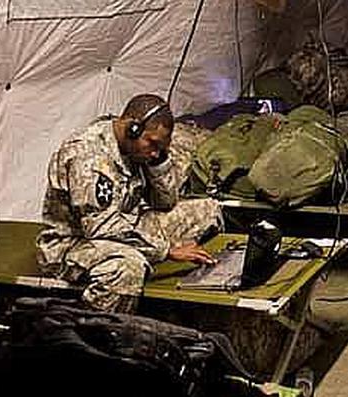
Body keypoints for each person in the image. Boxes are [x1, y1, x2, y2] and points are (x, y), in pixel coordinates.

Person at [36, 94, 221, 312]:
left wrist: (159, 160)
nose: (154, 152)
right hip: (74, 243)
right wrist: (167, 250)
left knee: (208, 210)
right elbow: (101, 227)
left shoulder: (137, 149)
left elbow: (165, 202)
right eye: (152, 144)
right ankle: (95, 330)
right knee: (127, 268)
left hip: (126, 225)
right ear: (132, 128)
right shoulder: (87, 155)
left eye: (160, 147)